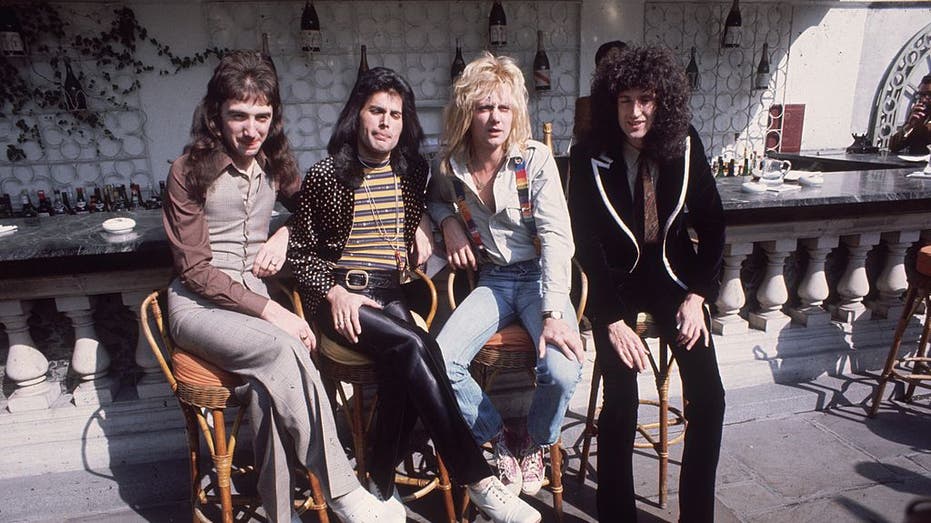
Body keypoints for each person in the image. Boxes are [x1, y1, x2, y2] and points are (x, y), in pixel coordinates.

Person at [287, 66, 541, 523]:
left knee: (411, 361)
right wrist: (334, 292)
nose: (386, 122)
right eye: (376, 111)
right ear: (357, 116)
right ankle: (480, 480)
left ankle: (379, 487)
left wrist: (434, 220)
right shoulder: (326, 175)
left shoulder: (412, 170)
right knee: (416, 345)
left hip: (393, 291)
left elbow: (436, 201)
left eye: (396, 114)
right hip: (342, 300)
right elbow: (301, 254)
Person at [162, 51, 403, 522]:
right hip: (198, 307)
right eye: (238, 116)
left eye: (261, 117)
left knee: (268, 391)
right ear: (216, 116)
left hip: (252, 302)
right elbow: (194, 271)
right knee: (283, 349)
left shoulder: (274, 163)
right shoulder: (187, 171)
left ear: (272, 120)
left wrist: (285, 231)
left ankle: (280, 515)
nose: (250, 129)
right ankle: (344, 489)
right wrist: (273, 311)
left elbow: (321, 203)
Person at [568, 45, 726, 522]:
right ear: (609, 102)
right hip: (615, 285)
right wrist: (611, 320)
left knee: (711, 399)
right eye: (624, 100)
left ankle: (696, 515)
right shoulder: (587, 154)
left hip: (676, 281)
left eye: (646, 99)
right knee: (621, 403)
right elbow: (586, 244)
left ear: (663, 102)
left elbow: (714, 225)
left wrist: (698, 296)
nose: (634, 112)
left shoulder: (687, 143)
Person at [428, 52, 583, 498]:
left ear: (515, 112)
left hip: (538, 281)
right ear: (467, 112)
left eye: (504, 107)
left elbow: (557, 236)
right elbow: (436, 201)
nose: (494, 118)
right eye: (483, 107)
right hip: (493, 281)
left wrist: (554, 312)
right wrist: (448, 222)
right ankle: (498, 437)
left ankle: (534, 440)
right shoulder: (451, 165)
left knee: (563, 367)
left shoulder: (533, 160)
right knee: (440, 358)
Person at [573, 40, 628, 144]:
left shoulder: (642, 104)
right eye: (609, 67)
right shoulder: (587, 107)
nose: (616, 74)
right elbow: (583, 143)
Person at [888, 74, 931, 155]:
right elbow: (893, 146)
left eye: (930, 95)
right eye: (921, 95)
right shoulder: (919, 115)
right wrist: (909, 126)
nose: (924, 100)